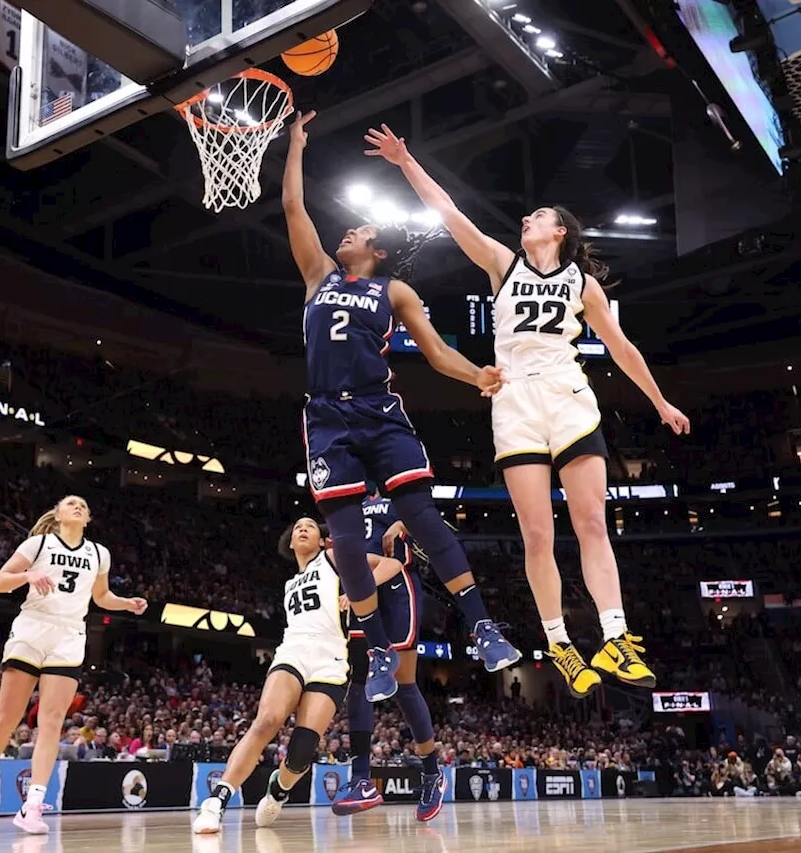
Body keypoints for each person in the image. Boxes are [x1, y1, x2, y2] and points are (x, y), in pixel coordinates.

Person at [365, 124, 690, 697]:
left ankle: (615, 636)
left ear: (559, 231)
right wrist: (405, 160)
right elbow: (447, 211)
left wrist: (659, 401)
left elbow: (620, 346)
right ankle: (561, 644)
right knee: (538, 535)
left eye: (537, 216)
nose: (526, 222)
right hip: (514, 400)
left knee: (592, 522)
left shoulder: (583, 283)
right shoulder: (500, 263)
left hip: (568, 394)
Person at [284, 111, 521, 705]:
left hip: (378, 410)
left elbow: (438, 353)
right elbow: (294, 209)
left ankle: (484, 626)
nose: (346, 234)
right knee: (345, 539)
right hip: (326, 419)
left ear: (378, 249)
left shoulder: (393, 292)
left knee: (421, 517)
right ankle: (379, 649)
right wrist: (294, 148)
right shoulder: (318, 277)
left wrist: (478, 376)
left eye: (357, 231)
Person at [193, 517, 406, 834]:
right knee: (267, 720)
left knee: (303, 750)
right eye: (296, 528)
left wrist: (360, 591)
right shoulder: (289, 583)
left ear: (322, 541)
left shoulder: (333, 559)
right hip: (293, 651)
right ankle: (216, 801)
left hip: (330, 659)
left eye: (310, 526)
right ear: (291, 544)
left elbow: (392, 564)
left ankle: (278, 789)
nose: (303, 529)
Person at [0, 495, 147, 834]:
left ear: (86, 520)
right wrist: (29, 575)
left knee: (52, 722)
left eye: (84, 507)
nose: (78, 507)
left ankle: (33, 805)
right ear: (57, 514)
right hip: (33, 626)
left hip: (70, 635)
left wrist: (126, 603)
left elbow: (100, 597)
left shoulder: (99, 553)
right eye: (71, 503)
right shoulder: (38, 543)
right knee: (7, 718)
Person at [333, 485, 444, 821]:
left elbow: (425, 539)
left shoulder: (403, 494)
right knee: (360, 680)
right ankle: (361, 779)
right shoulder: (349, 501)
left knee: (404, 683)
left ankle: (431, 774)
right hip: (361, 588)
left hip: (396, 589)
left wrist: (408, 523)